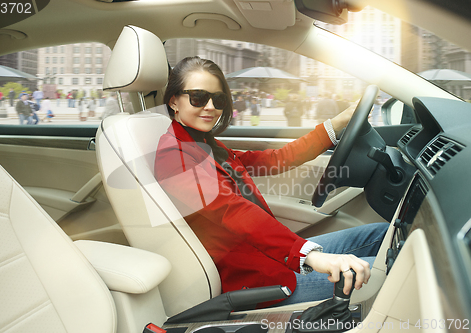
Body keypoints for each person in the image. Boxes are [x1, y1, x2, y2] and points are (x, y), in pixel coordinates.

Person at [154, 56, 388, 307]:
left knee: (383, 234)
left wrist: (338, 124)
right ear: (174, 101)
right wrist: (311, 256)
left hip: (267, 256)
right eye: (198, 97)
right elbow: (231, 210)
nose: (210, 106)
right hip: (256, 278)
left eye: (218, 99)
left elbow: (276, 160)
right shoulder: (173, 155)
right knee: (395, 267)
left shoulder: (204, 143)